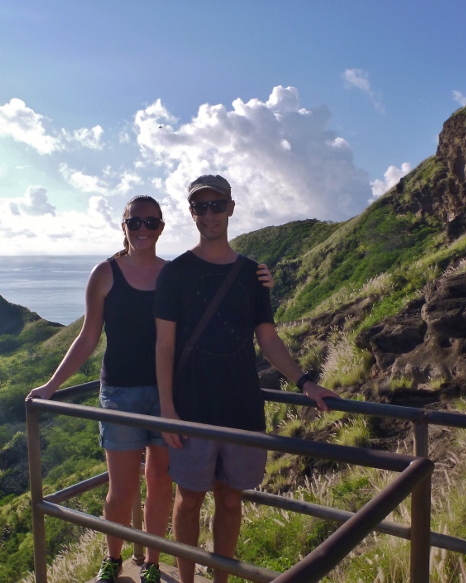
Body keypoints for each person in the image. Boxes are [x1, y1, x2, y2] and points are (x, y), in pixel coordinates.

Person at [26, 195, 275, 583]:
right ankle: (113, 559)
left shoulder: (172, 273)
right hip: (121, 394)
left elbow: (220, 297)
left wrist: (262, 278)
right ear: (123, 226)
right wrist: (52, 385)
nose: (143, 229)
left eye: (151, 223)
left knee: (160, 485)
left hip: (168, 394)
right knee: (121, 490)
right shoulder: (105, 274)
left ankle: (153, 565)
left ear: (161, 227)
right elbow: (88, 336)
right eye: (135, 222)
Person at [154, 175, 340, 583]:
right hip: (191, 407)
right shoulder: (176, 273)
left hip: (241, 406)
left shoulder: (253, 274)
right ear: (191, 213)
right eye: (200, 207)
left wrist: (305, 382)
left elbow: (268, 338)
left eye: (216, 205)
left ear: (231, 208)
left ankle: (219, 579)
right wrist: (167, 409)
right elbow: (164, 345)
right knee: (187, 502)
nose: (208, 214)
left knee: (230, 500)